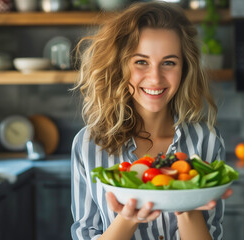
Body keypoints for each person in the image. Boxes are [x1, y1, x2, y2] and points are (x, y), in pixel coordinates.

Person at [71, 2, 232, 239]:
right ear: (120, 66)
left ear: (184, 68)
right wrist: (127, 218)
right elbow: (85, 233)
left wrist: (188, 203)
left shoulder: (205, 140)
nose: (155, 78)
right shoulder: (88, 144)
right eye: (141, 62)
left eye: (169, 62)